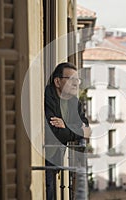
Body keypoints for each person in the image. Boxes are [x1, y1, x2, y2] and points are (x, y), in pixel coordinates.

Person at [44, 62, 91, 200]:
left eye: (78, 80)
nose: (76, 84)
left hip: (56, 158)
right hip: (45, 158)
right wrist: (75, 129)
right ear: (57, 81)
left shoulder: (74, 102)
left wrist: (65, 125)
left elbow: (87, 130)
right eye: (71, 79)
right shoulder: (49, 97)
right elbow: (54, 133)